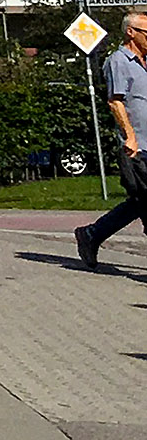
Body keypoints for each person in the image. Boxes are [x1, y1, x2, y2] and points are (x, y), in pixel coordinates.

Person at [76, 13, 147, 270]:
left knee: (140, 202)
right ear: (131, 32)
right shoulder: (119, 61)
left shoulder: (145, 62)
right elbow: (115, 101)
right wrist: (129, 136)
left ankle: (92, 234)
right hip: (137, 147)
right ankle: (91, 235)